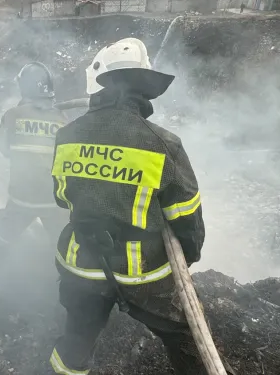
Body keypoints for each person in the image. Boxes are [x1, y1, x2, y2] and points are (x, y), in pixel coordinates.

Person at [47, 38, 206, 374]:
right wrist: (189, 257)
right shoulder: (164, 143)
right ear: (144, 89)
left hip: (81, 264)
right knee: (183, 337)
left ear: (98, 85)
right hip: (143, 274)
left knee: (76, 342)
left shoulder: (67, 134)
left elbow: (61, 197)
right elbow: (185, 217)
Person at [0, 62, 69, 249]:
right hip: (53, 201)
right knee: (62, 245)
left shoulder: (11, 116)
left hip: (21, 199)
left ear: (24, 87)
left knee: (3, 240)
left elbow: (4, 150)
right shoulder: (63, 119)